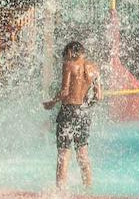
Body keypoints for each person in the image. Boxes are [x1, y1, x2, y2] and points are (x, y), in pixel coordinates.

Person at [42, 41, 100, 190]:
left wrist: (52, 102)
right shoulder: (93, 68)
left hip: (68, 112)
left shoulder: (69, 65)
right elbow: (99, 96)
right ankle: (88, 189)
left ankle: (60, 191)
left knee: (63, 153)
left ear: (69, 53)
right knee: (82, 152)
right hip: (84, 113)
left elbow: (65, 92)